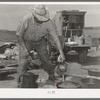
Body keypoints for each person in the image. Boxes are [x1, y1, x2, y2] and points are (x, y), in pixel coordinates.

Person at [16, 5, 65, 85]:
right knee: (23, 60)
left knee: (46, 59)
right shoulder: (26, 19)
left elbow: (56, 38)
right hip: (26, 40)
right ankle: (20, 81)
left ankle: (51, 76)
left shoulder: (49, 23)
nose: (41, 21)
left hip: (40, 41)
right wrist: (24, 49)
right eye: (39, 19)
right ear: (34, 15)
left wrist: (61, 52)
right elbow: (19, 36)